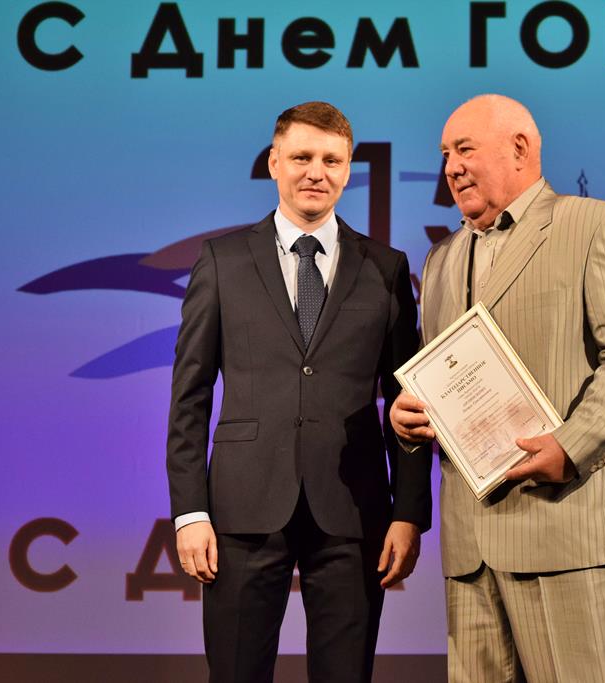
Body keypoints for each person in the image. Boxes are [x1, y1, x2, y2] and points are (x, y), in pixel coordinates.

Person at [391, 94, 605, 683]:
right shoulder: (440, 259)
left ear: (519, 148)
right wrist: (410, 418)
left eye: (464, 149)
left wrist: (571, 445)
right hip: (471, 548)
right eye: (445, 154)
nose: (451, 167)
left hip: (565, 529)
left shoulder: (594, 225)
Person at [167, 101, 431, 683]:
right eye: (302, 157)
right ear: (274, 162)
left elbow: (410, 401)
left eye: (332, 160)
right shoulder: (222, 261)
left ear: (348, 169)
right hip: (242, 510)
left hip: (354, 510)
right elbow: (189, 397)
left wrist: (409, 513)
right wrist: (189, 511)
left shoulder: (386, 267)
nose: (317, 172)